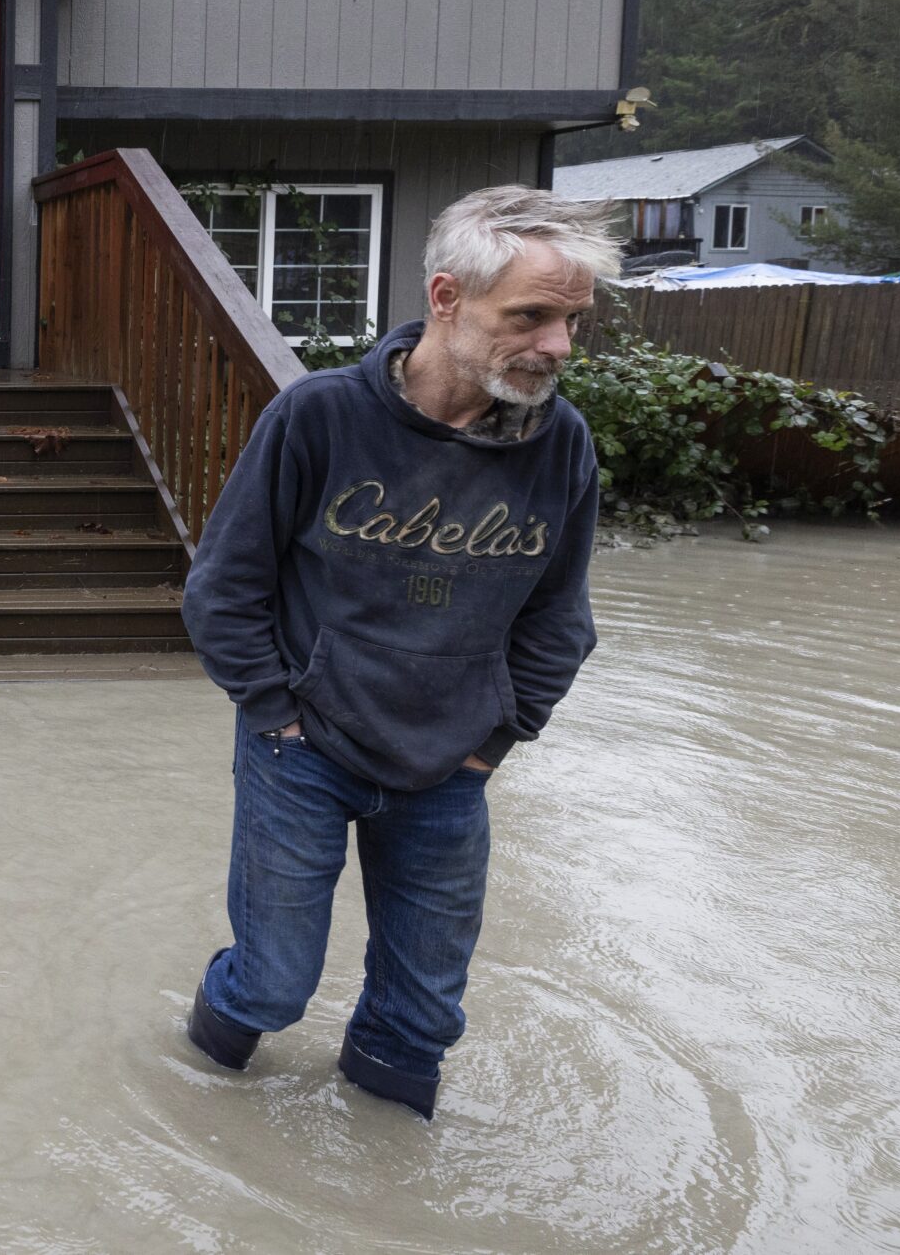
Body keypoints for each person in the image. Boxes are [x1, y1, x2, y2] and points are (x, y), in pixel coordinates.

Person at [178, 185, 621, 1119]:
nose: (559, 347)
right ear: (448, 297)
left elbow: (559, 617)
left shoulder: (562, 443)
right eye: (532, 317)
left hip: (450, 768)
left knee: (422, 1015)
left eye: (573, 320)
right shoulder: (320, 417)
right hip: (302, 751)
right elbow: (224, 588)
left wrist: (493, 742)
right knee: (272, 986)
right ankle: (195, 1095)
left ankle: (382, 1179)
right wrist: (278, 714)